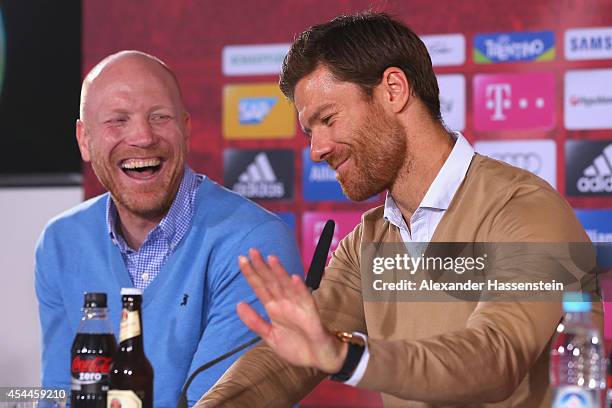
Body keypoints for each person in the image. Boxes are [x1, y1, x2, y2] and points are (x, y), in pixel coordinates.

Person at [195, 12, 601, 408]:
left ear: (393, 90)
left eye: (329, 119)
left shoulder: (527, 210)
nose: (316, 150)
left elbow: (494, 359)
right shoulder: (366, 243)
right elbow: (291, 357)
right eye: (310, 131)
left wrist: (345, 355)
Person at [34, 50, 303, 407]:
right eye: (118, 120)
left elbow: (219, 402)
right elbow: (58, 394)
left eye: (160, 117)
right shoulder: (60, 242)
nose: (143, 137)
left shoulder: (254, 243)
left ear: (186, 129)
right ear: (85, 140)